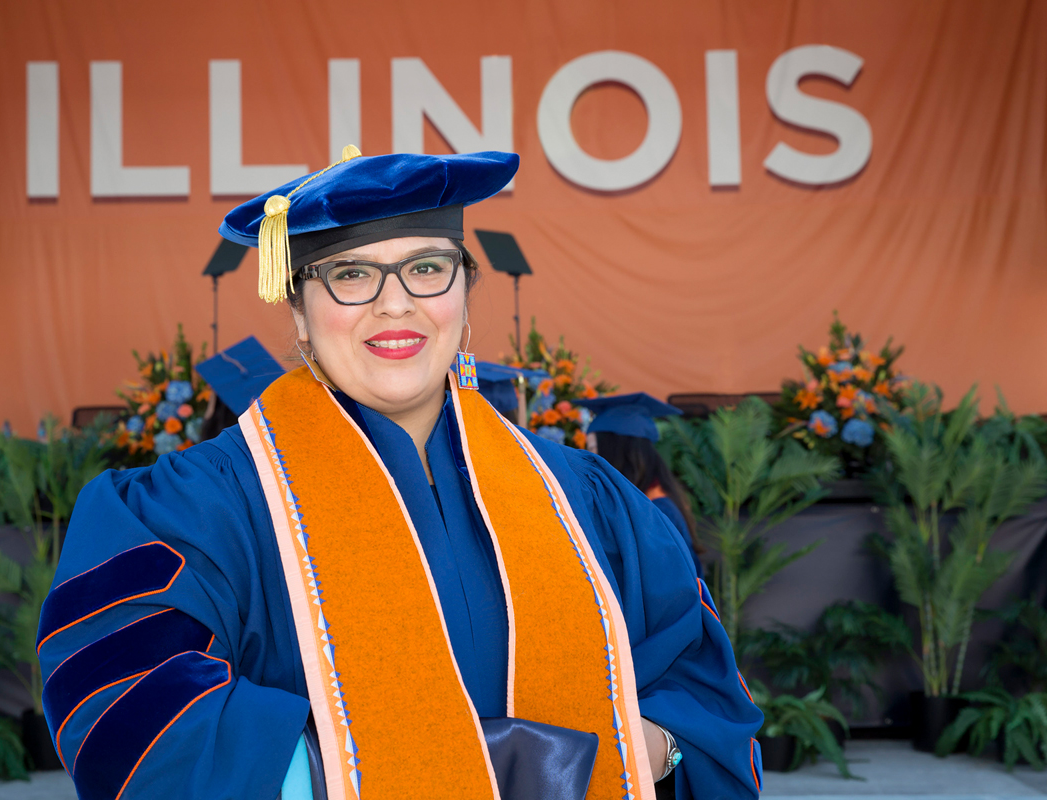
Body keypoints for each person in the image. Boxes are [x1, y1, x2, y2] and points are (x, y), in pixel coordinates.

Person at [37, 149, 762, 800]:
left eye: (426, 267)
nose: (396, 302)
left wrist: (652, 748)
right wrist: (359, 773)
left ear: (464, 290)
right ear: (297, 308)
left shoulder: (582, 497)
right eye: (351, 274)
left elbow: (697, 677)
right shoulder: (196, 507)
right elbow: (126, 710)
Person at [577, 393, 704, 580]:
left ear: (619, 454)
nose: (589, 459)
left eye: (595, 450)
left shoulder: (657, 512)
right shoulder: (646, 504)